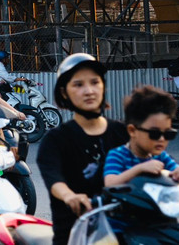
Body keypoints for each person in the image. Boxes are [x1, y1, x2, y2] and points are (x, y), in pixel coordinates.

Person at [36, 53, 130, 245]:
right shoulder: (55, 140)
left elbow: (156, 160)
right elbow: (55, 181)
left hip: (127, 230)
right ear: (64, 93)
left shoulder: (123, 132)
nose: (89, 91)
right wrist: (69, 196)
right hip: (77, 235)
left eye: (95, 82)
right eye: (78, 85)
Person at [103, 85, 179, 209]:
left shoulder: (161, 157)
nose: (161, 139)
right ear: (132, 131)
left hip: (159, 218)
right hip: (125, 223)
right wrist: (139, 169)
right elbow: (110, 183)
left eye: (168, 134)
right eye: (154, 133)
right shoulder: (118, 155)